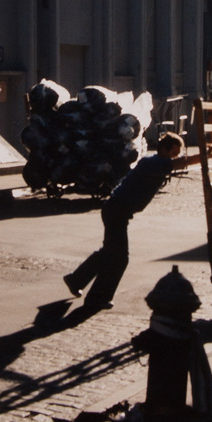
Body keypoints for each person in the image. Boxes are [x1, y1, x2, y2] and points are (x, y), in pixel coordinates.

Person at [64, 132, 198, 312]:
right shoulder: (153, 163)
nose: (176, 156)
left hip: (117, 210)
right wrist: (205, 155)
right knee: (119, 258)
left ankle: (77, 280)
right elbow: (178, 164)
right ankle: (97, 297)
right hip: (117, 210)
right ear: (164, 149)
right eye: (174, 152)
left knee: (110, 252)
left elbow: (175, 164)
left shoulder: (154, 163)